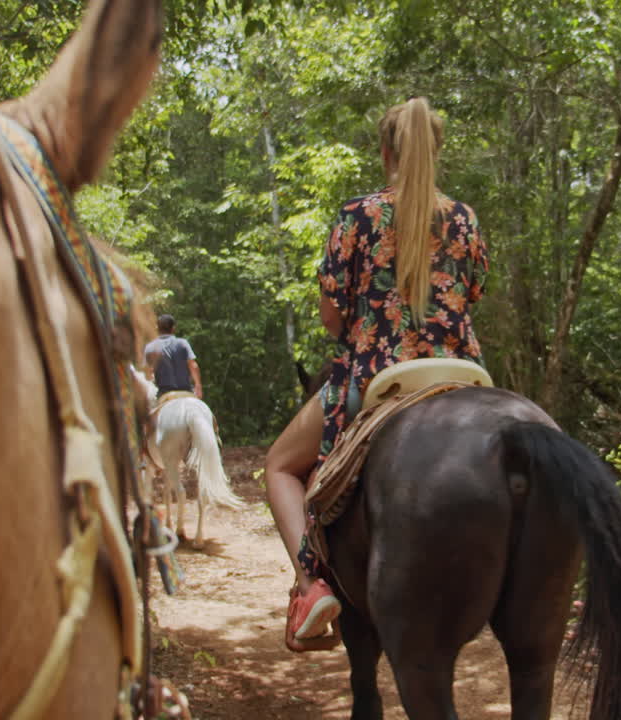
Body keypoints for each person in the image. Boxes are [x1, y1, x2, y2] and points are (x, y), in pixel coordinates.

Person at [264, 97, 489, 652]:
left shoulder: (357, 215)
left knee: (278, 466)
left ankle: (311, 584)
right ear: (435, 150)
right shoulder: (463, 218)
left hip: (376, 373)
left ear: (385, 150)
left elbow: (331, 314)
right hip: (461, 372)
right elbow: (473, 294)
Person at [143, 314, 203, 399]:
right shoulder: (183, 343)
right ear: (173, 328)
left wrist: (152, 375)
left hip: (164, 393)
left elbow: (147, 373)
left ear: (157, 329)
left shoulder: (150, 347)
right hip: (186, 391)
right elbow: (193, 366)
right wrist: (198, 386)